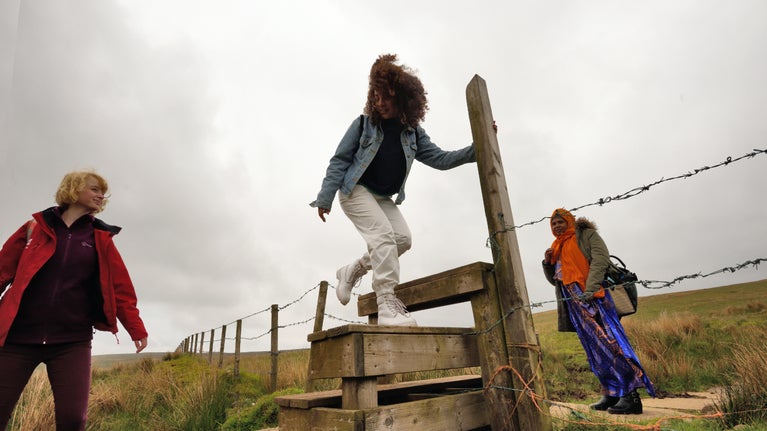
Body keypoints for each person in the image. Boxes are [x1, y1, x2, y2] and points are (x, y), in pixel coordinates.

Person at [310, 54, 479, 326]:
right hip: (354, 190)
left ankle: (353, 270)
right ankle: (386, 302)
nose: (380, 103)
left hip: (381, 197)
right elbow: (340, 160)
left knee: (401, 239)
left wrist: (477, 148)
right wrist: (325, 196)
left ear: (402, 97)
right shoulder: (364, 124)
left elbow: (440, 159)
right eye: (376, 97)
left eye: (386, 97)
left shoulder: (413, 133)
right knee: (383, 237)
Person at [0, 170, 149, 430]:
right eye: (94, 189)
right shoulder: (34, 229)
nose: (101, 195)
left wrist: (135, 327)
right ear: (73, 189)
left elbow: (120, 287)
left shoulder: (100, 239)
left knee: (72, 420)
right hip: (17, 338)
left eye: (103, 192)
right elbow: (2, 269)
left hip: (71, 342)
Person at [542, 208, 655, 414]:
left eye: (560, 222)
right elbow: (556, 281)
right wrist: (548, 264)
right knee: (594, 350)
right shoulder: (556, 247)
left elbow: (601, 259)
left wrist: (592, 289)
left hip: (596, 298)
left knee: (610, 343)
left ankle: (631, 396)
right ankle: (611, 393)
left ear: (570, 221)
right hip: (576, 305)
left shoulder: (585, 235)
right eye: (553, 224)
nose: (557, 226)